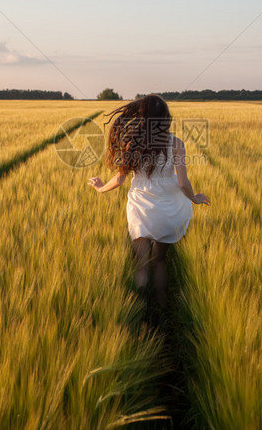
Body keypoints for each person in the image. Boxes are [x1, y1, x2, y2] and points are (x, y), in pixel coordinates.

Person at [87, 94, 209, 310]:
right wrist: (195, 199)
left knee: (140, 263)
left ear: (141, 117)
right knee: (159, 261)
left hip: (140, 210)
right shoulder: (176, 144)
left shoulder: (131, 142)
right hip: (169, 210)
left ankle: (140, 310)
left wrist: (99, 188)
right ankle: (161, 308)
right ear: (166, 118)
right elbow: (183, 184)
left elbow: (120, 179)